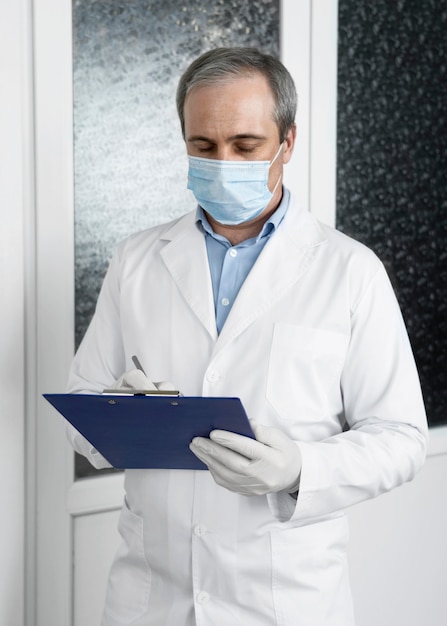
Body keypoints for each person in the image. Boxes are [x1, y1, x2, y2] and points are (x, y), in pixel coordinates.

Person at [67, 47, 428, 626]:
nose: (222, 161)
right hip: (150, 597)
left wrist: (300, 470)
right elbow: (78, 406)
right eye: (202, 147)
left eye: (245, 145)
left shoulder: (349, 270)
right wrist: (120, 414)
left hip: (285, 600)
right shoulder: (136, 260)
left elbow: (403, 437)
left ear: (287, 142)